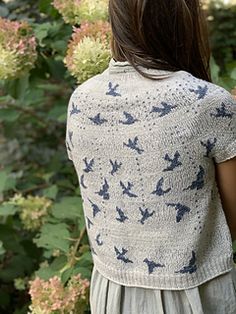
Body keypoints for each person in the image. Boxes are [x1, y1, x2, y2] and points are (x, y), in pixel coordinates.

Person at [65, 0, 236, 313]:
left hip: (111, 294)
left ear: (116, 22)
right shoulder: (209, 103)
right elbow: (233, 221)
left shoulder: (81, 102)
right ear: (186, 20)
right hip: (193, 294)